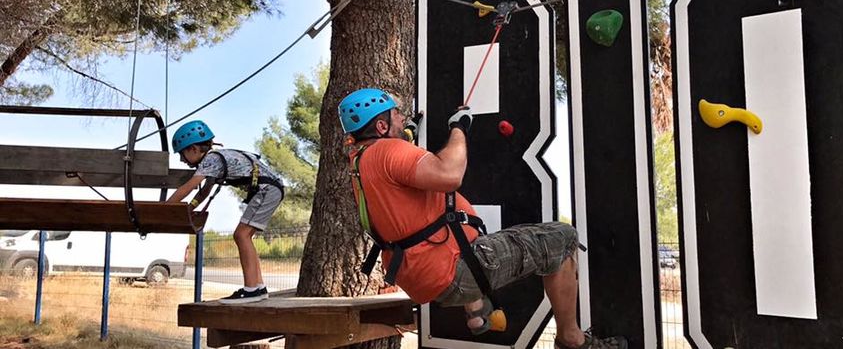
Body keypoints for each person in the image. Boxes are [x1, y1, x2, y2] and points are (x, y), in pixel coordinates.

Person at [339, 88, 627, 349]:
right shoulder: (390, 151)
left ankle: (476, 311)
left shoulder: (362, 160)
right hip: (454, 270)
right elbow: (450, 175)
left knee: (468, 242)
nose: (401, 118)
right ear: (381, 126)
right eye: (396, 115)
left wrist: (409, 131)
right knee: (561, 238)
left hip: (419, 275)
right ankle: (572, 340)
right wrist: (459, 128)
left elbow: (401, 164)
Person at [167, 120, 284, 304]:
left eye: (182, 154)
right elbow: (204, 191)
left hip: (267, 190)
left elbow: (189, 186)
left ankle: (251, 289)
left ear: (194, 149)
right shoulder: (216, 158)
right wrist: (189, 208)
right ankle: (258, 287)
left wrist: (166, 208)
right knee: (245, 236)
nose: (182, 160)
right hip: (272, 188)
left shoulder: (210, 160)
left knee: (241, 235)